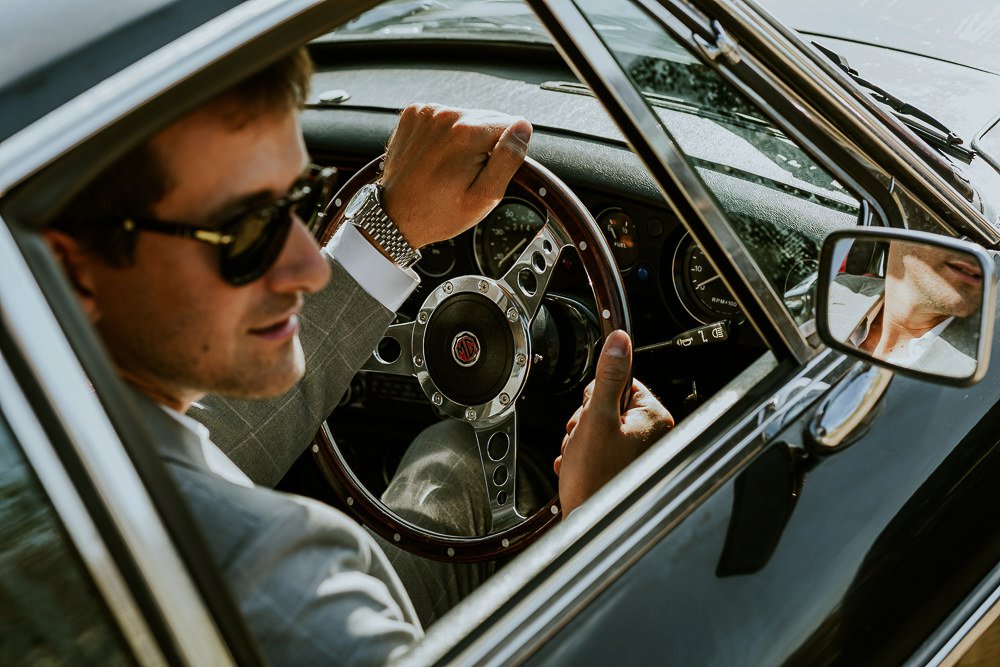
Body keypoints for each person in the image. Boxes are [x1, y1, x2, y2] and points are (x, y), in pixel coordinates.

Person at [43, 47, 673, 665]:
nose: (307, 269)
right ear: (76, 271)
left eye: (300, 201)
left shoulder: (49, 413)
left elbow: (194, 439)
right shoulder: (292, 590)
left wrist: (388, 229)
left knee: (456, 460)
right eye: (244, 232)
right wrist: (607, 531)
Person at [827, 239, 982, 376]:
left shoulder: (976, 375)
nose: (979, 248)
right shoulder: (831, 291)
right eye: (950, 222)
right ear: (893, 233)